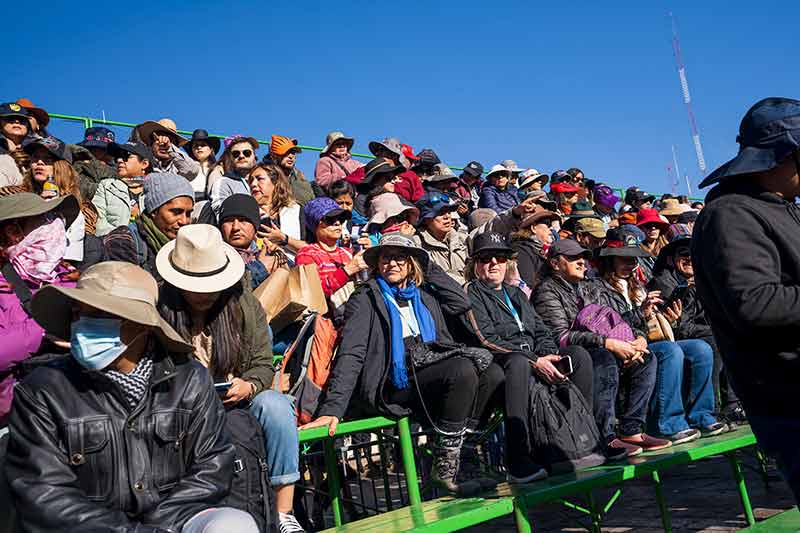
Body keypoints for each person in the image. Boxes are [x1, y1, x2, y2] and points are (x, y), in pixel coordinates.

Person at [5, 261, 258, 532]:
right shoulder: (42, 391)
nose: (81, 325)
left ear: (141, 325)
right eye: (78, 314)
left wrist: (158, 525)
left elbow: (213, 465)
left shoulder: (190, 381)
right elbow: (45, 495)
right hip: (90, 528)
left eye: (99, 315)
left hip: (174, 521)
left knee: (234, 525)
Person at [301, 233, 489, 496]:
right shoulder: (366, 297)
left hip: (430, 367)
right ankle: (445, 468)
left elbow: (461, 302)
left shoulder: (422, 294)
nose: (392, 264)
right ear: (377, 264)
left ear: (412, 264)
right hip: (393, 382)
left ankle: (464, 458)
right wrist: (332, 409)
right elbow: (352, 353)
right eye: (386, 258)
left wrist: (427, 266)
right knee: (462, 369)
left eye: (401, 258)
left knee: (491, 372)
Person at [157, 224, 304, 533]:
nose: (204, 293)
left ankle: (284, 511)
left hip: (237, 397)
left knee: (276, 406)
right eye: (195, 284)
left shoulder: (243, 304)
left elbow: (263, 364)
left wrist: (249, 385)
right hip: (183, 407)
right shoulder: (159, 309)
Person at [691, 97, 800, 504]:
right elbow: (756, 304)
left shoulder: (782, 209)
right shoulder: (731, 214)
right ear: (783, 155)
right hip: (788, 398)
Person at [463, 232, 607, 480]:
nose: (494, 263)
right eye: (486, 258)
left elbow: (541, 330)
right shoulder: (471, 292)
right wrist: (534, 360)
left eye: (500, 257)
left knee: (578, 356)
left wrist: (550, 356)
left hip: (535, 356)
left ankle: (582, 440)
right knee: (519, 363)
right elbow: (485, 339)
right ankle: (518, 459)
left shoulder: (516, 293)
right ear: (476, 264)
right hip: (501, 362)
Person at [587, 229, 723, 444]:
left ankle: (702, 415)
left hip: (645, 341)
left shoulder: (637, 286)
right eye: (625, 259)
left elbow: (647, 327)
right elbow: (607, 325)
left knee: (701, 348)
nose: (631, 264)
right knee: (671, 350)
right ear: (609, 260)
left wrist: (665, 318)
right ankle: (668, 423)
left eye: (634, 259)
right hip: (620, 347)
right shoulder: (594, 288)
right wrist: (640, 314)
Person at [532, 239, 658, 456]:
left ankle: (631, 430)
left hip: (602, 345)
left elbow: (616, 321)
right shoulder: (546, 291)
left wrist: (637, 338)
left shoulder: (588, 287)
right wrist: (607, 343)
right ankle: (605, 436)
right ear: (554, 263)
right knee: (603, 359)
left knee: (646, 358)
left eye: (583, 258)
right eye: (573, 258)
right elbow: (560, 337)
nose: (581, 262)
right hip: (570, 355)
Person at [649, 224, 743, 426]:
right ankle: (714, 409)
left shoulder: (699, 280)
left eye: (693, 252)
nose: (689, 257)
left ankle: (734, 404)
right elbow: (679, 325)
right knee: (715, 339)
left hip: (693, 332)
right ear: (670, 259)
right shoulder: (664, 283)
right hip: (672, 337)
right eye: (683, 253)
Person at [0, 193, 79, 425]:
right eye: (46, 219)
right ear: (14, 232)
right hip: (13, 420)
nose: (56, 224)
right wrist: (46, 327)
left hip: (69, 413)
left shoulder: (67, 277)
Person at [104, 172, 194, 282]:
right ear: (154, 211)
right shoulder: (123, 241)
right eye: (176, 212)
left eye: (188, 213)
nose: (184, 221)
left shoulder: (190, 244)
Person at [296, 197, 368, 312]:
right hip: (327, 324)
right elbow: (313, 293)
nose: (337, 223)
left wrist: (372, 256)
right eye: (330, 220)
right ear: (315, 224)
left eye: (341, 219)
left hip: (356, 319)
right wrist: (346, 271)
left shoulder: (348, 253)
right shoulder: (306, 254)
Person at [218, 194, 288, 289]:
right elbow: (223, 292)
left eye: (243, 220)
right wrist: (261, 268)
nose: (235, 227)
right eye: (229, 221)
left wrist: (281, 258)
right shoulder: (214, 258)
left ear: (255, 226)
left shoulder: (268, 253)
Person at [248, 163, 307, 261]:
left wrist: (283, 239)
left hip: (293, 271)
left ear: (275, 182)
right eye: (251, 181)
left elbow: (310, 250)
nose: (253, 184)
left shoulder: (296, 211)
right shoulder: (247, 213)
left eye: (259, 179)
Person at [92, 141, 152, 236]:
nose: (119, 160)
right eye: (117, 157)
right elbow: (98, 223)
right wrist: (122, 238)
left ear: (144, 164)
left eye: (126, 156)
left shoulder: (156, 189)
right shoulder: (106, 186)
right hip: (113, 246)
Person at [413, 192, 469, 285]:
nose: (447, 217)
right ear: (426, 219)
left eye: (449, 212)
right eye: (440, 213)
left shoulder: (463, 239)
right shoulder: (417, 244)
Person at [508, 206, 560, 290]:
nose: (551, 229)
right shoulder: (521, 251)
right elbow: (528, 287)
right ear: (533, 228)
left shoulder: (544, 250)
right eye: (547, 224)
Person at [132, 118, 200, 180]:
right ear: (151, 143)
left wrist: (170, 148)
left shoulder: (178, 167)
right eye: (158, 139)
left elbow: (192, 171)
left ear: (175, 147)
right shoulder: (141, 164)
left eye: (170, 141)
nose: (163, 144)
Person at [209, 135, 260, 216]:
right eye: (236, 154)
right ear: (231, 158)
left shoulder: (265, 180)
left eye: (247, 153)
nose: (241, 156)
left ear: (254, 156)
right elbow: (219, 212)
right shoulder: (223, 183)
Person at [369, 138, 424, 202]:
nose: (412, 164)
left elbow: (419, 198)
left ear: (394, 155)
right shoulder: (370, 169)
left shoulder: (410, 175)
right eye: (379, 151)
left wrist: (395, 189)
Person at [267, 135, 314, 206]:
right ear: (274, 156)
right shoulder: (266, 178)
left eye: (293, 152)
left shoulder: (303, 182)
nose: (291, 156)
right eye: (286, 152)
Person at [186, 129, 221, 200]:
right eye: (195, 146)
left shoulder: (219, 169)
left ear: (211, 149)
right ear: (192, 150)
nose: (199, 148)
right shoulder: (185, 168)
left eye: (203, 145)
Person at [636, 208, 669, 282]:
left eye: (657, 225)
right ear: (640, 229)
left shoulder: (669, 249)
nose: (653, 228)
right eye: (648, 225)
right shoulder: (635, 251)